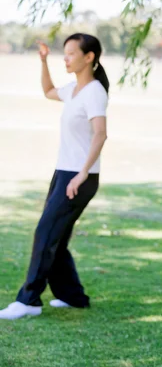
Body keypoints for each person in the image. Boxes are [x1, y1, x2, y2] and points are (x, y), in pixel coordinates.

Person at [0, 33, 109, 320]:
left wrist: (82, 174)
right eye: (65, 53)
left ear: (90, 57)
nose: (67, 57)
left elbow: (101, 134)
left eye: (72, 53)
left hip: (80, 175)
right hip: (64, 172)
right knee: (56, 238)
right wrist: (44, 61)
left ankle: (29, 301)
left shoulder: (95, 92)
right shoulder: (74, 89)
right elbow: (48, 91)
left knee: (45, 232)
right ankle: (73, 297)